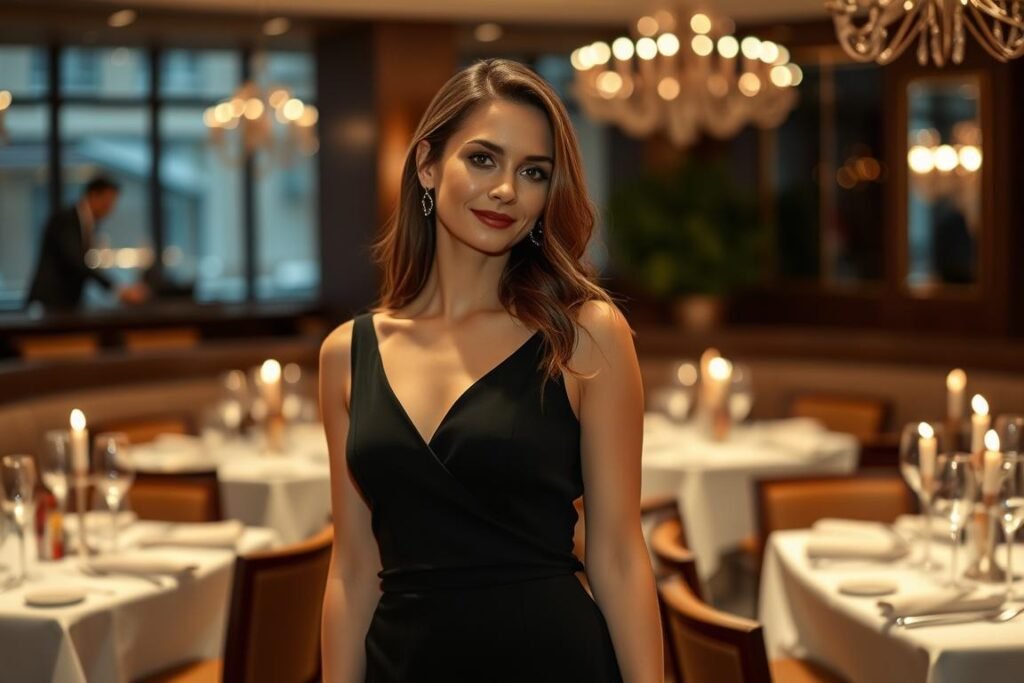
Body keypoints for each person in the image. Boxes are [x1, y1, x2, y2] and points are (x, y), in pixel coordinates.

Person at [319, 59, 663, 682]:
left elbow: (617, 553)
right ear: (427, 164)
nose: (506, 188)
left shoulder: (585, 334)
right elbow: (350, 566)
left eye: (532, 172)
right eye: (482, 159)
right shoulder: (347, 353)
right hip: (403, 664)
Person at [26, 176, 149, 311]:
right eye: (108, 202)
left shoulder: (87, 223)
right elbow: (76, 261)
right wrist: (117, 289)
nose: (110, 209)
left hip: (66, 302)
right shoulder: (68, 219)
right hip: (50, 301)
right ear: (93, 195)